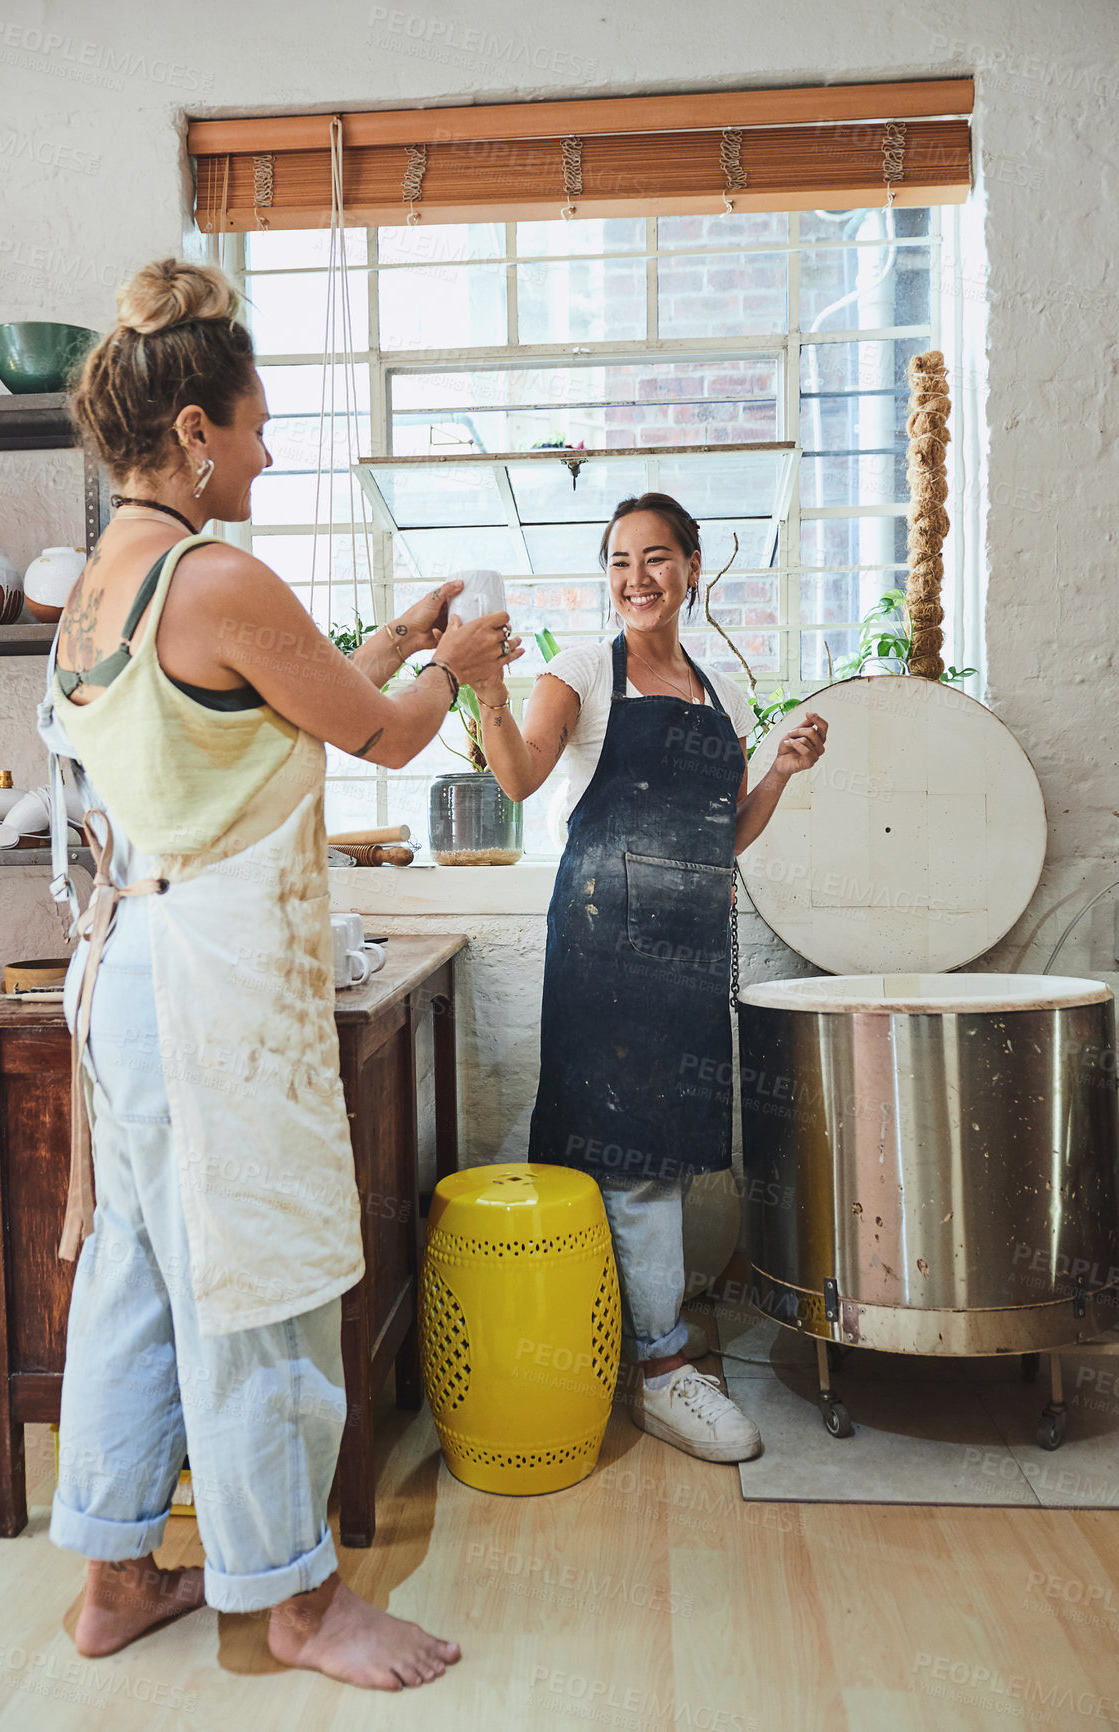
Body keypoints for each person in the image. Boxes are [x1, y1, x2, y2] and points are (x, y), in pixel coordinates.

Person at [40, 257, 522, 1688]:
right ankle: (296, 1603)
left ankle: (116, 1577)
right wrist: (461, 661)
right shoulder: (217, 574)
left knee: (136, 1272)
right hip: (210, 995)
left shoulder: (99, 588)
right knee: (257, 1280)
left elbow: (260, 717)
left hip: (130, 978)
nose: (270, 448)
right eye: (255, 425)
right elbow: (379, 737)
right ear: (195, 431)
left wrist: (390, 649)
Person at [473, 492, 827, 1463]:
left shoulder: (723, 695)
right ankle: (664, 1370)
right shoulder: (584, 668)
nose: (637, 577)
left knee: (659, 1156)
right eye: (621, 559)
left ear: (692, 567)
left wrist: (782, 769)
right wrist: (487, 695)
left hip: (686, 960)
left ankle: (621, 1350)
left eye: (657, 557)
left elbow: (726, 833)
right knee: (629, 1170)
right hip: (603, 951)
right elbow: (515, 777)